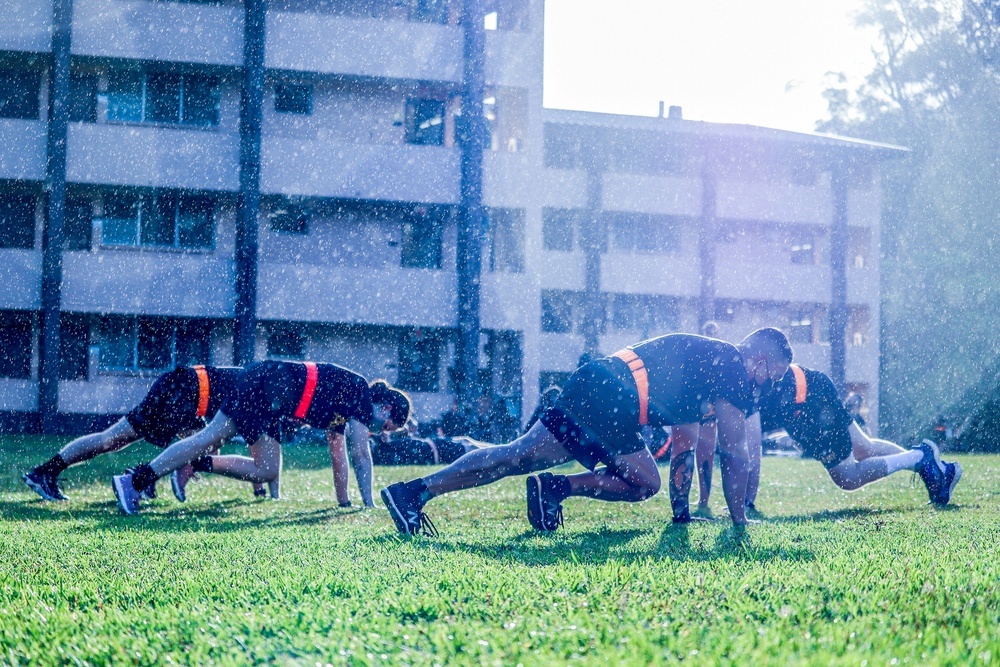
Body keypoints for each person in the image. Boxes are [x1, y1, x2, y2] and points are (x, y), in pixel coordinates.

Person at [380, 328, 792, 536]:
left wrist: (682, 517)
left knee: (519, 453)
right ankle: (557, 489)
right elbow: (736, 453)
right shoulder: (734, 368)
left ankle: (413, 492)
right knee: (644, 482)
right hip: (615, 396)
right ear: (758, 359)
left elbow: (685, 448)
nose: (768, 386)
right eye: (771, 375)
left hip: (600, 382)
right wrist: (740, 522)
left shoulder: (711, 366)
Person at [110, 360, 411, 515]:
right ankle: (136, 480)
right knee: (208, 437)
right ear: (385, 408)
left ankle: (182, 467)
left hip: (267, 395)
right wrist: (369, 504)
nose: (378, 432)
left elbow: (339, 456)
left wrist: (345, 503)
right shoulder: (358, 392)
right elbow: (360, 453)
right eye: (387, 427)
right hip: (264, 386)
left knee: (266, 470)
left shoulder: (345, 408)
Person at [21, 365, 271, 501]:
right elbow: (259, 451)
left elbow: (254, 449)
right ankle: (139, 480)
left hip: (184, 388)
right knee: (114, 439)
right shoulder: (266, 396)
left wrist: (260, 489)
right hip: (186, 392)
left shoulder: (263, 384)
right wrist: (263, 491)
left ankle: (46, 472)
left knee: (113, 439)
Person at [743, 364, 961, 509]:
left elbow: (752, 448)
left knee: (847, 477)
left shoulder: (742, 389)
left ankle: (920, 457)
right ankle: (937, 469)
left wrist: (746, 502)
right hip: (809, 387)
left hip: (809, 398)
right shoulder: (740, 384)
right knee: (864, 447)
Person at [371, 418, 482, 466]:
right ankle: (498, 452)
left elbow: (409, 428)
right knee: (469, 448)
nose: (384, 432)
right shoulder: (386, 452)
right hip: (438, 452)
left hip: (435, 445)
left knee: (466, 440)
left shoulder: (391, 443)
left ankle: (498, 449)